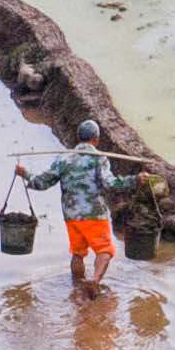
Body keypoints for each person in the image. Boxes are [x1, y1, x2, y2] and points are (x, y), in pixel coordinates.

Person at [29, 125, 125, 294]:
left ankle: (78, 287)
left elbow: (41, 183)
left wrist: (25, 174)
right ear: (96, 139)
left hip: (71, 215)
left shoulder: (63, 159)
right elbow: (110, 183)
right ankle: (94, 282)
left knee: (78, 253)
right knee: (105, 250)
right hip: (94, 213)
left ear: (78, 137)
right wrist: (134, 180)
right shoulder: (99, 158)